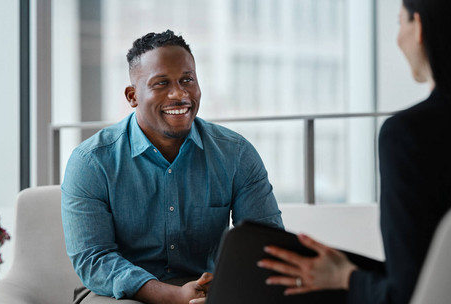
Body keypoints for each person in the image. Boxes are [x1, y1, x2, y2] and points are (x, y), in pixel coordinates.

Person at [257, 0, 451, 303]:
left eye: (400, 23)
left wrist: (345, 277)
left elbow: (406, 295)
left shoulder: (409, 136)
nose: (398, 37)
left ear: (419, 28)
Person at [61, 30, 284, 304]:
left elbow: (266, 248)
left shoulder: (236, 154)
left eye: (187, 80)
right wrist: (173, 296)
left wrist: (230, 284)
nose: (179, 94)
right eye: (161, 83)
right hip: (121, 295)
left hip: (207, 291)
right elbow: (93, 259)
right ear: (133, 96)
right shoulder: (91, 162)